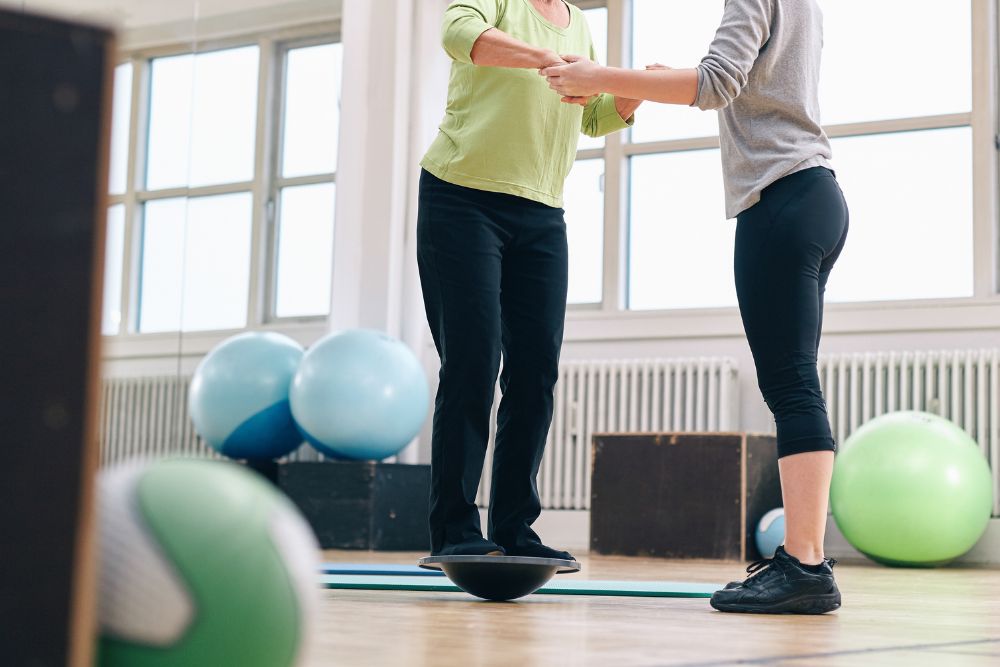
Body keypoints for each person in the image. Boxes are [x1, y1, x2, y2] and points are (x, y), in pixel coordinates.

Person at [542, 0, 848, 614]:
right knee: (795, 383)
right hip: (817, 195)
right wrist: (653, 78)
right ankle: (803, 560)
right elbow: (745, 78)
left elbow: (714, 85)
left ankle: (806, 565)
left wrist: (602, 76)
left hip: (780, 199)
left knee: (790, 387)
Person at [419, 0, 641, 559]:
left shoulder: (582, 24)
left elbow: (589, 116)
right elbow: (459, 33)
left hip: (542, 213)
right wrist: (544, 59)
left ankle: (515, 529)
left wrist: (632, 94)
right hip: (462, 197)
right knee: (472, 363)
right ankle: (454, 531)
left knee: (535, 372)